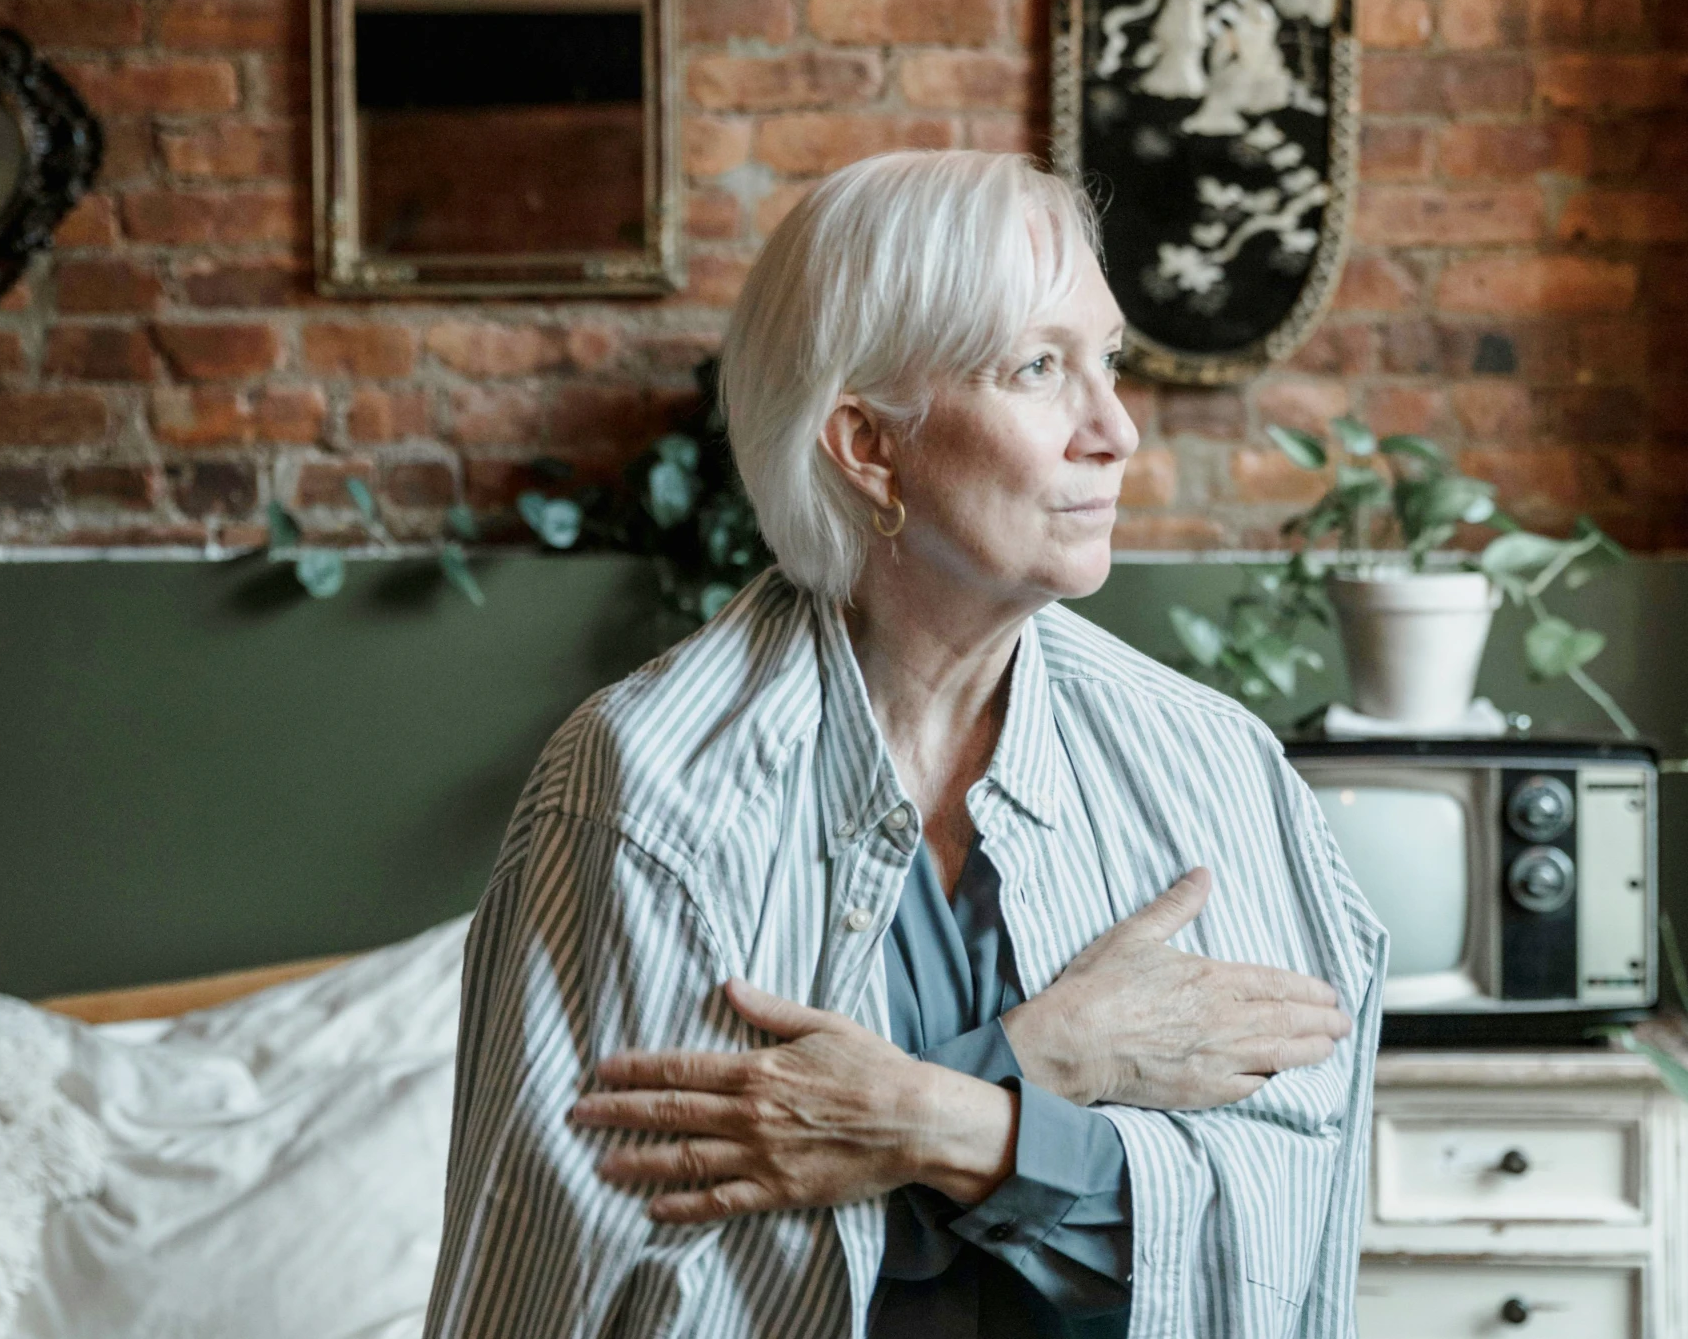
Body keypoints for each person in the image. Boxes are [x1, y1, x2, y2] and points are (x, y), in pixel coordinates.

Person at [421, 150, 1385, 1339]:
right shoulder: (644, 791)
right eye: (1039, 366)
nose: (1117, 429)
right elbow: (589, 1270)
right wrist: (1051, 1061)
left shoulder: (1210, 766)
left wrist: (939, 1121)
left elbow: (1290, 1213)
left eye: (1109, 360)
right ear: (868, 445)